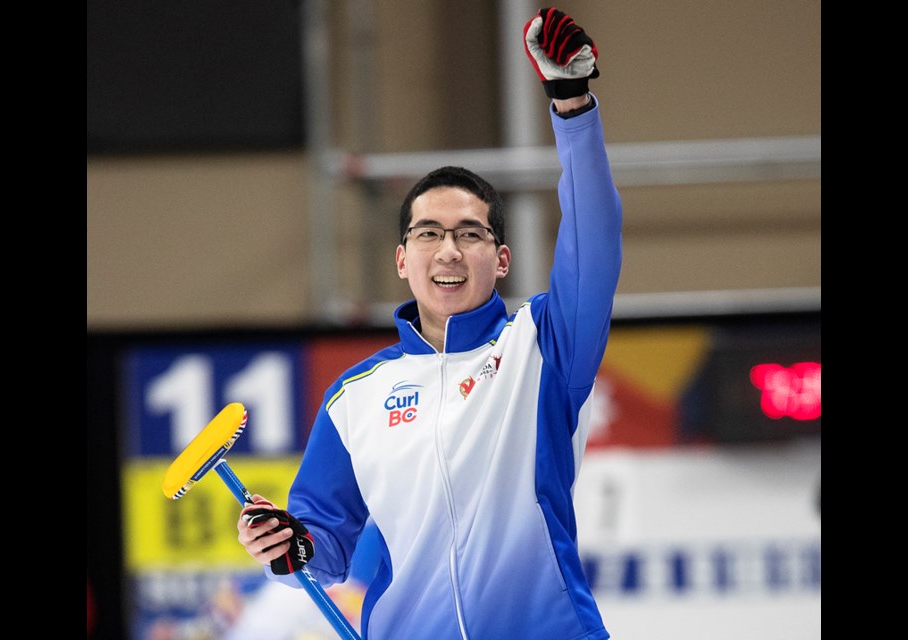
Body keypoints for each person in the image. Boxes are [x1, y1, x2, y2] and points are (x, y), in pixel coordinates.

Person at [237, 8, 622, 639]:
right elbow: (323, 549)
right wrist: (286, 544)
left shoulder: (543, 346)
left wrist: (572, 105)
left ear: (500, 259)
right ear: (401, 258)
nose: (448, 251)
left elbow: (595, 240)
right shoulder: (353, 399)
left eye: (470, 234)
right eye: (428, 234)